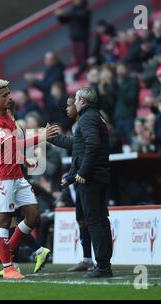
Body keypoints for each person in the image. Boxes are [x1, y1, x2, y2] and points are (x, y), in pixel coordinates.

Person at [0, 78, 58, 279]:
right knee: (4, 220)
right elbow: (13, 144)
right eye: (5, 95)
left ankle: (6, 250)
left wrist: (24, 160)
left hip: (16, 174)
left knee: (33, 216)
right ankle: (8, 267)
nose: (10, 97)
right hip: (0, 177)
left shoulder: (8, 117)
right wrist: (41, 136)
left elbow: (8, 148)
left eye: (9, 93)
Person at [49, 87, 113, 278]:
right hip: (98, 176)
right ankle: (103, 264)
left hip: (92, 178)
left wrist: (82, 173)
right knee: (100, 220)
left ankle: (102, 266)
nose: (74, 103)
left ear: (83, 101)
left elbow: (92, 145)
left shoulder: (87, 118)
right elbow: (77, 144)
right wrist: (54, 138)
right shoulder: (93, 117)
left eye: (76, 99)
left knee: (95, 221)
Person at [55, 97, 94, 272]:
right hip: (79, 178)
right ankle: (87, 259)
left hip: (88, 179)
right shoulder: (77, 126)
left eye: (70, 104)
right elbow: (76, 149)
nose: (67, 108)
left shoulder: (85, 123)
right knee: (82, 219)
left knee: (91, 220)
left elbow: (86, 153)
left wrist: (72, 176)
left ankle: (99, 260)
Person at [55, 0, 91, 79]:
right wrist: (60, 16)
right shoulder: (73, 10)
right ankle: (81, 74)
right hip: (74, 38)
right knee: (77, 57)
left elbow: (80, 16)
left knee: (83, 57)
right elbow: (65, 21)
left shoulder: (85, 9)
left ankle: (85, 74)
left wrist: (66, 13)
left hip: (82, 37)